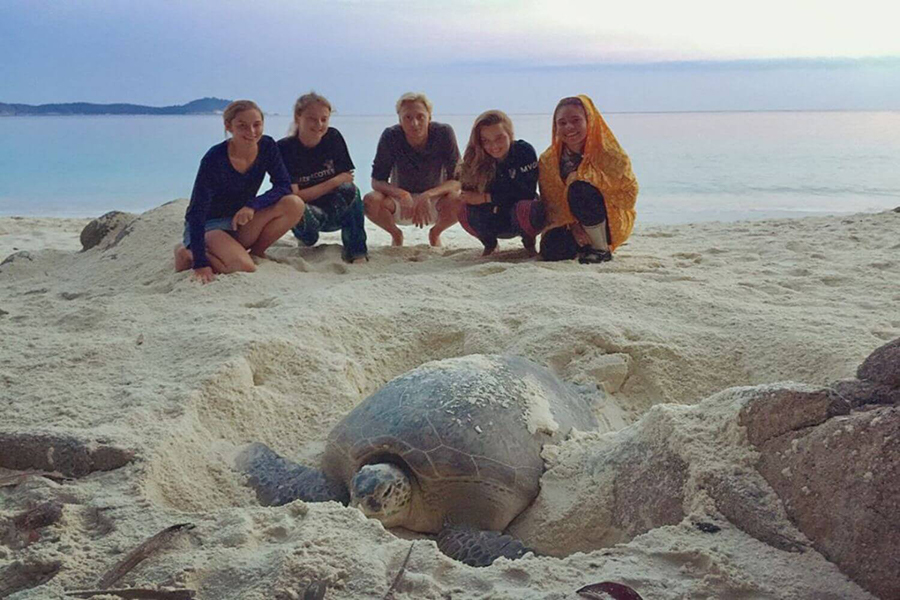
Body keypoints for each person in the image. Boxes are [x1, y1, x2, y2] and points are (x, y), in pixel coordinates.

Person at [175, 100, 304, 283]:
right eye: (242, 126)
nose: (251, 132)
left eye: (257, 124)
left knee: (294, 204)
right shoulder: (214, 158)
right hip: (210, 226)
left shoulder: (267, 146)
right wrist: (200, 263)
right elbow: (197, 212)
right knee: (244, 267)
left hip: (239, 221)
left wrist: (253, 205)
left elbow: (284, 185)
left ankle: (256, 253)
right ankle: (186, 253)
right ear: (229, 126)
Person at [538, 95, 638, 263]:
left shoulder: (611, 154)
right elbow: (552, 202)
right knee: (551, 250)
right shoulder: (548, 160)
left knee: (579, 187)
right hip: (571, 223)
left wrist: (586, 178)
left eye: (576, 120)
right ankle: (585, 246)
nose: (569, 127)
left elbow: (628, 195)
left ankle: (601, 249)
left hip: (608, 219)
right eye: (562, 123)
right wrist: (573, 225)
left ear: (589, 120)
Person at [278, 92, 368, 263]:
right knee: (295, 204)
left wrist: (334, 184)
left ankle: (357, 252)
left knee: (352, 191)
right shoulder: (285, 148)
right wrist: (333, 181)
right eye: (312, 119)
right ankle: (305, 240)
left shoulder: (333, 137)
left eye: (324, 119)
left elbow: (348, 180)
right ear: (298, 118)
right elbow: (295, 196)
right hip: (307, 214)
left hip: (334, 209)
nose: (319, 124)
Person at [363, 92, 461, 247]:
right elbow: (377, 181)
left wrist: (428, 194)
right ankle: (396, 234)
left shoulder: (443, 133)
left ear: (429, 117)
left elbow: (457, 181)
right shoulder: (391, 136)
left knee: (462, 200)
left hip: (435, 200)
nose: (414, 123)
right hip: (401, 202)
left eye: (420, 117)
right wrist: (401, 194)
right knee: (370, 201)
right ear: (400, 120)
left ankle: (435, 233)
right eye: (407, 117)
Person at [457, 110, 545, 256]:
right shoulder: (474, 157)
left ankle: (529, 242)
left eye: (499, 138)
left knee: (527, 207)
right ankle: (489, 244)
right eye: (486, 140)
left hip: (518, 213)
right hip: (492, 216)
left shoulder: (524, 151)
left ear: (510, 134)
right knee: (462, 208)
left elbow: (526, 192)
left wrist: (486, 197)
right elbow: (468, 194)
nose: (494, 146)